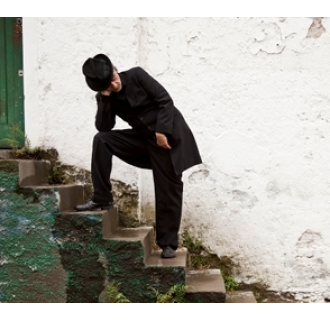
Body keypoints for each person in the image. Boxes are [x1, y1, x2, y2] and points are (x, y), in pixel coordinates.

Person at [75, 53, 202, 259]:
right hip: (144, 139)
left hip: (168, 138)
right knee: (102, 139)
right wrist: (105, 99)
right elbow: (104, 126)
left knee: (167, 187)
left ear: (116, 69)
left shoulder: (136, 75)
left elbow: (165, 101)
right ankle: (102, 197)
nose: (115, 85)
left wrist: (161, 131)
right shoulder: (106, 96)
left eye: (114, 78)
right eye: (109, 85)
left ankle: (168, 244)